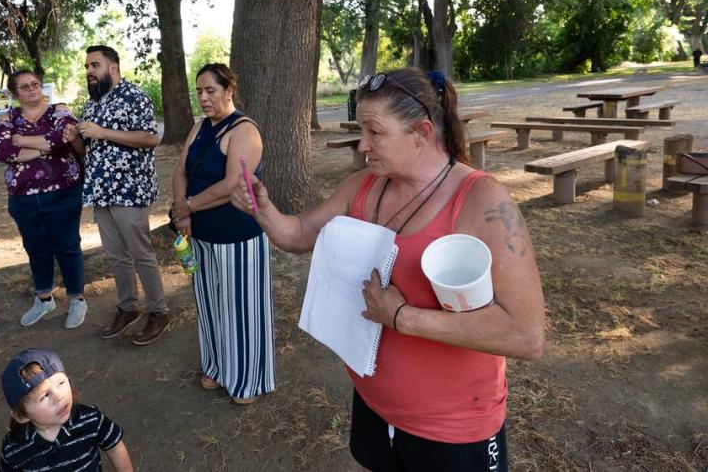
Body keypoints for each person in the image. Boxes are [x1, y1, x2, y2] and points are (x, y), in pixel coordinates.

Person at [232, 68, 545, 470]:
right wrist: (263, 208)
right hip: (375, 406)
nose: (363, 144)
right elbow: (298, 234)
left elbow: (526, 335)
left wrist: (401, 317)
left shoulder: (481, 202)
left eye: (374, 132)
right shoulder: (364, 185)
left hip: (454, 428)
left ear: (421, 132)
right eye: (361, 130)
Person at [171, 63, 275, 404]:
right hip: (200, 234)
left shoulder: (245, 131)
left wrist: (187, 206)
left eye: (210, 90)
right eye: (198, 91)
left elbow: (232, 184)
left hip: (237, 237)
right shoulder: (199, 127)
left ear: (229, 91)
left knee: (241, 309)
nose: (202, 97)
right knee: (209, 304)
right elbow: (181, 170)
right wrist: (180, 213)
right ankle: (216, 366)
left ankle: (246, 380)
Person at [72, 44, 169, 345]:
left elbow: (150, 138)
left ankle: (159, 311)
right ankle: (128, 308)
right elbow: (85, 152)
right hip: (101, 192)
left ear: (112, 68)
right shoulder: (91, 105)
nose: (89, 71)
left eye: (94, 65)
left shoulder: (134, 96)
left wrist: (103, 132)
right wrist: (75, 138)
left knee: (141, 254)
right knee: (116, 256)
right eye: (87, 66)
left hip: (131, 191)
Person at [0, 70, 87, 329]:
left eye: (35, 84)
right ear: (16, 93)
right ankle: (44, 298)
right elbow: (2, 151)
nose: (32, 89)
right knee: (36, 247)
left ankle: (76, 298)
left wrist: (21, 141)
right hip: (23, 198)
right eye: (25, 87)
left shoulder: (59, 111)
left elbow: (61, 140)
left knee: (67, 245)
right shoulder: (5, 117)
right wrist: (42, 147)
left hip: (63, 193)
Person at [0, 348, 133, 472]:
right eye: (45, 395)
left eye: (61, 383)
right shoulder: (14, 449)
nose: (59, 397)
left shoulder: (90, 418)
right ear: (21, 415)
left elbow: (114, 447)